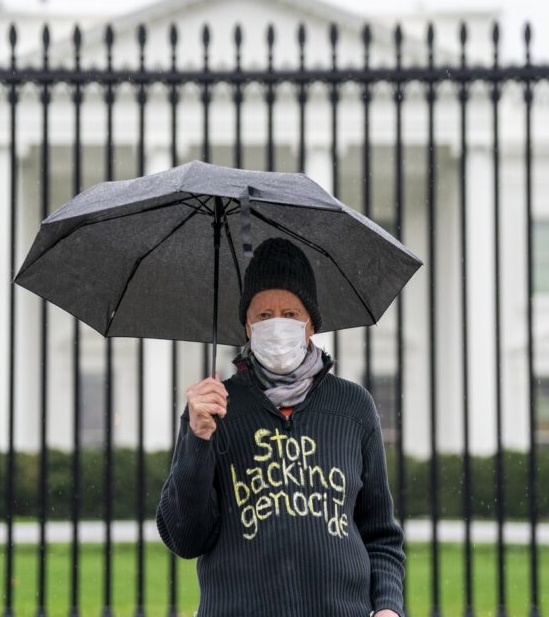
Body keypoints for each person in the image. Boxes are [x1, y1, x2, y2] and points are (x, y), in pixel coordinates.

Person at [156, 237, 406, 617]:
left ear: (311, 325)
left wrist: (388, 605)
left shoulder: (353, 407)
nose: (277, 325)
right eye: (263, 315)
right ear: (247, 325)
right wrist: (198, 438)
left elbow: (380, 534)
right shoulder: (213, 410)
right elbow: (185, 537)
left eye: (290, 314)